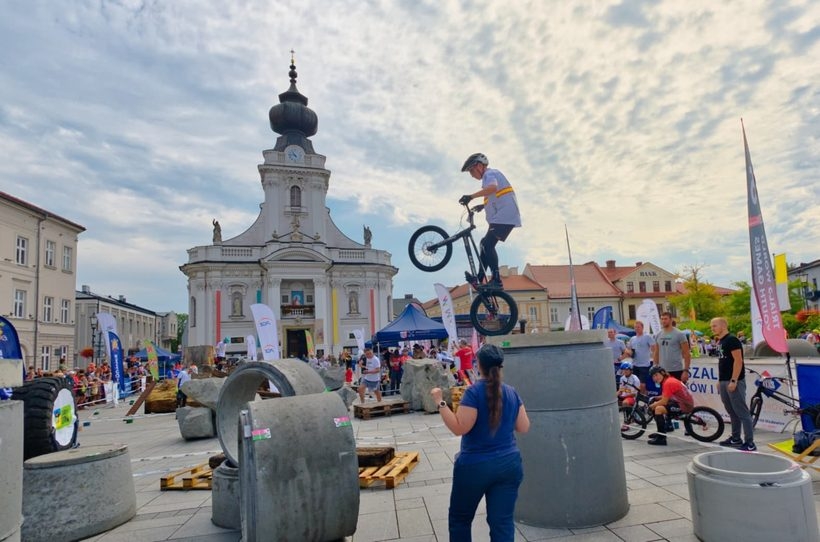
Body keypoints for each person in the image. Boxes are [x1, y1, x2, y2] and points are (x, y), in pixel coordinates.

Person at [431, 344, 530, 541]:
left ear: (478, 365)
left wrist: (440, 403)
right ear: (500, 366)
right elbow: (524, 427)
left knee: (460, 519)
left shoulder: (473, 393)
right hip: (509, 464)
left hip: (475, 466)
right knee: (502, 522)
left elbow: (459, 428)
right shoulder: (511, 392)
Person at [459, 153, 521, 289]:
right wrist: (482, 206)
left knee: (488, 245)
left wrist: (471, 196)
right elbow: (494, 195)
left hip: (505, 216)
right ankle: (480, 278)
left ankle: (496, 280)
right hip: (502, 216)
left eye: (471, 170)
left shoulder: (489, 174)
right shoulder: (488, 179)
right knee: (484, 244)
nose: (471, 174)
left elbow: (492, 188)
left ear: (480, 166)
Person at [711, 317, 756, 451]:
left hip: (734, 381)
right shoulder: (720, 341)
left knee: (742, 411)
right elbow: (722, 363)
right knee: (731, 411)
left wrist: (734, 380)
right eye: (711, 326)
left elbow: (738, 361)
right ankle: (736, 438)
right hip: (724, 380)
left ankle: (750, 442)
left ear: (723, 326)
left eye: (714, 326)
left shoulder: (732, 340)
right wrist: (720, 380)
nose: (712, 328)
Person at [646, 366, 694, 446]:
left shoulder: (668, 383)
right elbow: (667, 395)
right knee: (656, 402)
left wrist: (652, 406)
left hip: (684, 406)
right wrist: (656, 398)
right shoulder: (667, 380)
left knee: (658, 409)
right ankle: (661, 431)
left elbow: (664, 401)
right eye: (653, 376)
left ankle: (661, 438)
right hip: (680, 402)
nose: (655, 378)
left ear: (662, 373)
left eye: (656, 375)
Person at [652, 312, 691, 382]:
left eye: (665, 319)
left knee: (677, 392)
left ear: (671, 320)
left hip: (676, 370)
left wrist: (686, 370)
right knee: (665, 392)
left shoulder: (679, 334)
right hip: (662, 371)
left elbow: (687, 353)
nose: (663, 321)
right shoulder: (658, 334)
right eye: (662, 319)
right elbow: (656, 353)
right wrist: (655, 368)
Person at [628, 321, 655, 393]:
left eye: (638, 327)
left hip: (644, 365)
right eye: (635, 327)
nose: (636, 329)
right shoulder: (632, 338)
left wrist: (655, 359)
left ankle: (644, 399)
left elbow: (654, 349)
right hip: (634, 364)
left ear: (642, 328)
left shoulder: (647, 337)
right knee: (635, 384)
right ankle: (637, 399)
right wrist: (629, 352)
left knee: (643, 385)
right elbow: (629, 349)